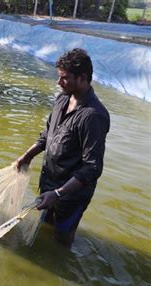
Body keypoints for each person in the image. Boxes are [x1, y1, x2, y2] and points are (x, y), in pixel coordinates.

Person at [15, 48, 110, 247]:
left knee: (62, 239)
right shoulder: (62, 99)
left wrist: (58, 194)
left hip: (71, 197)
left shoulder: (93, 116)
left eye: (64, 78)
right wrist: (27, 156)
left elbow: (93, 167)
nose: (59, 83)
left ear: (82, 78)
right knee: (45, 228)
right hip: (49, 184)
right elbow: (47, 135)